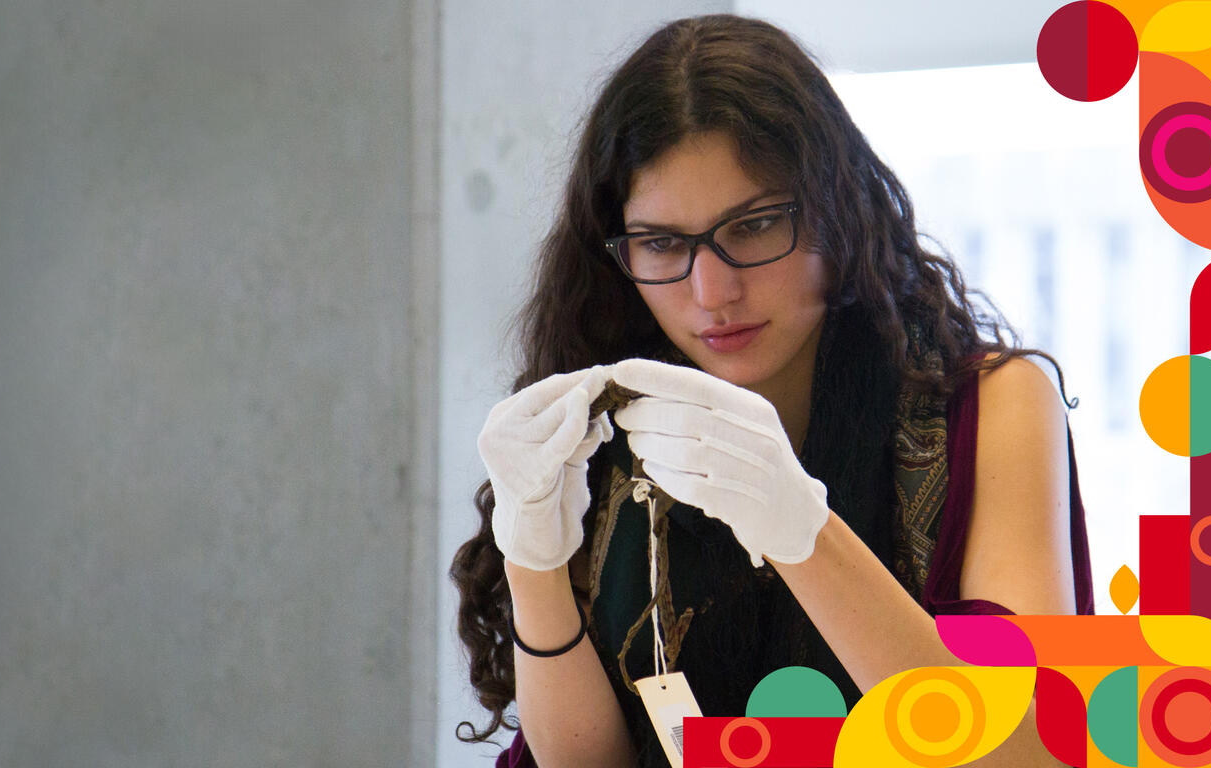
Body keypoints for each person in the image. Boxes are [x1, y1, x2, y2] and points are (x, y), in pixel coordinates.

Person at [449, 14, 1094, 768]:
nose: (711, 290)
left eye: (753, 227)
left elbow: (1026, 750)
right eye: (662, 243)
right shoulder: (602, 431)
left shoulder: (988, 405)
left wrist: (803, 533)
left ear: (839, 209)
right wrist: (533, 568)